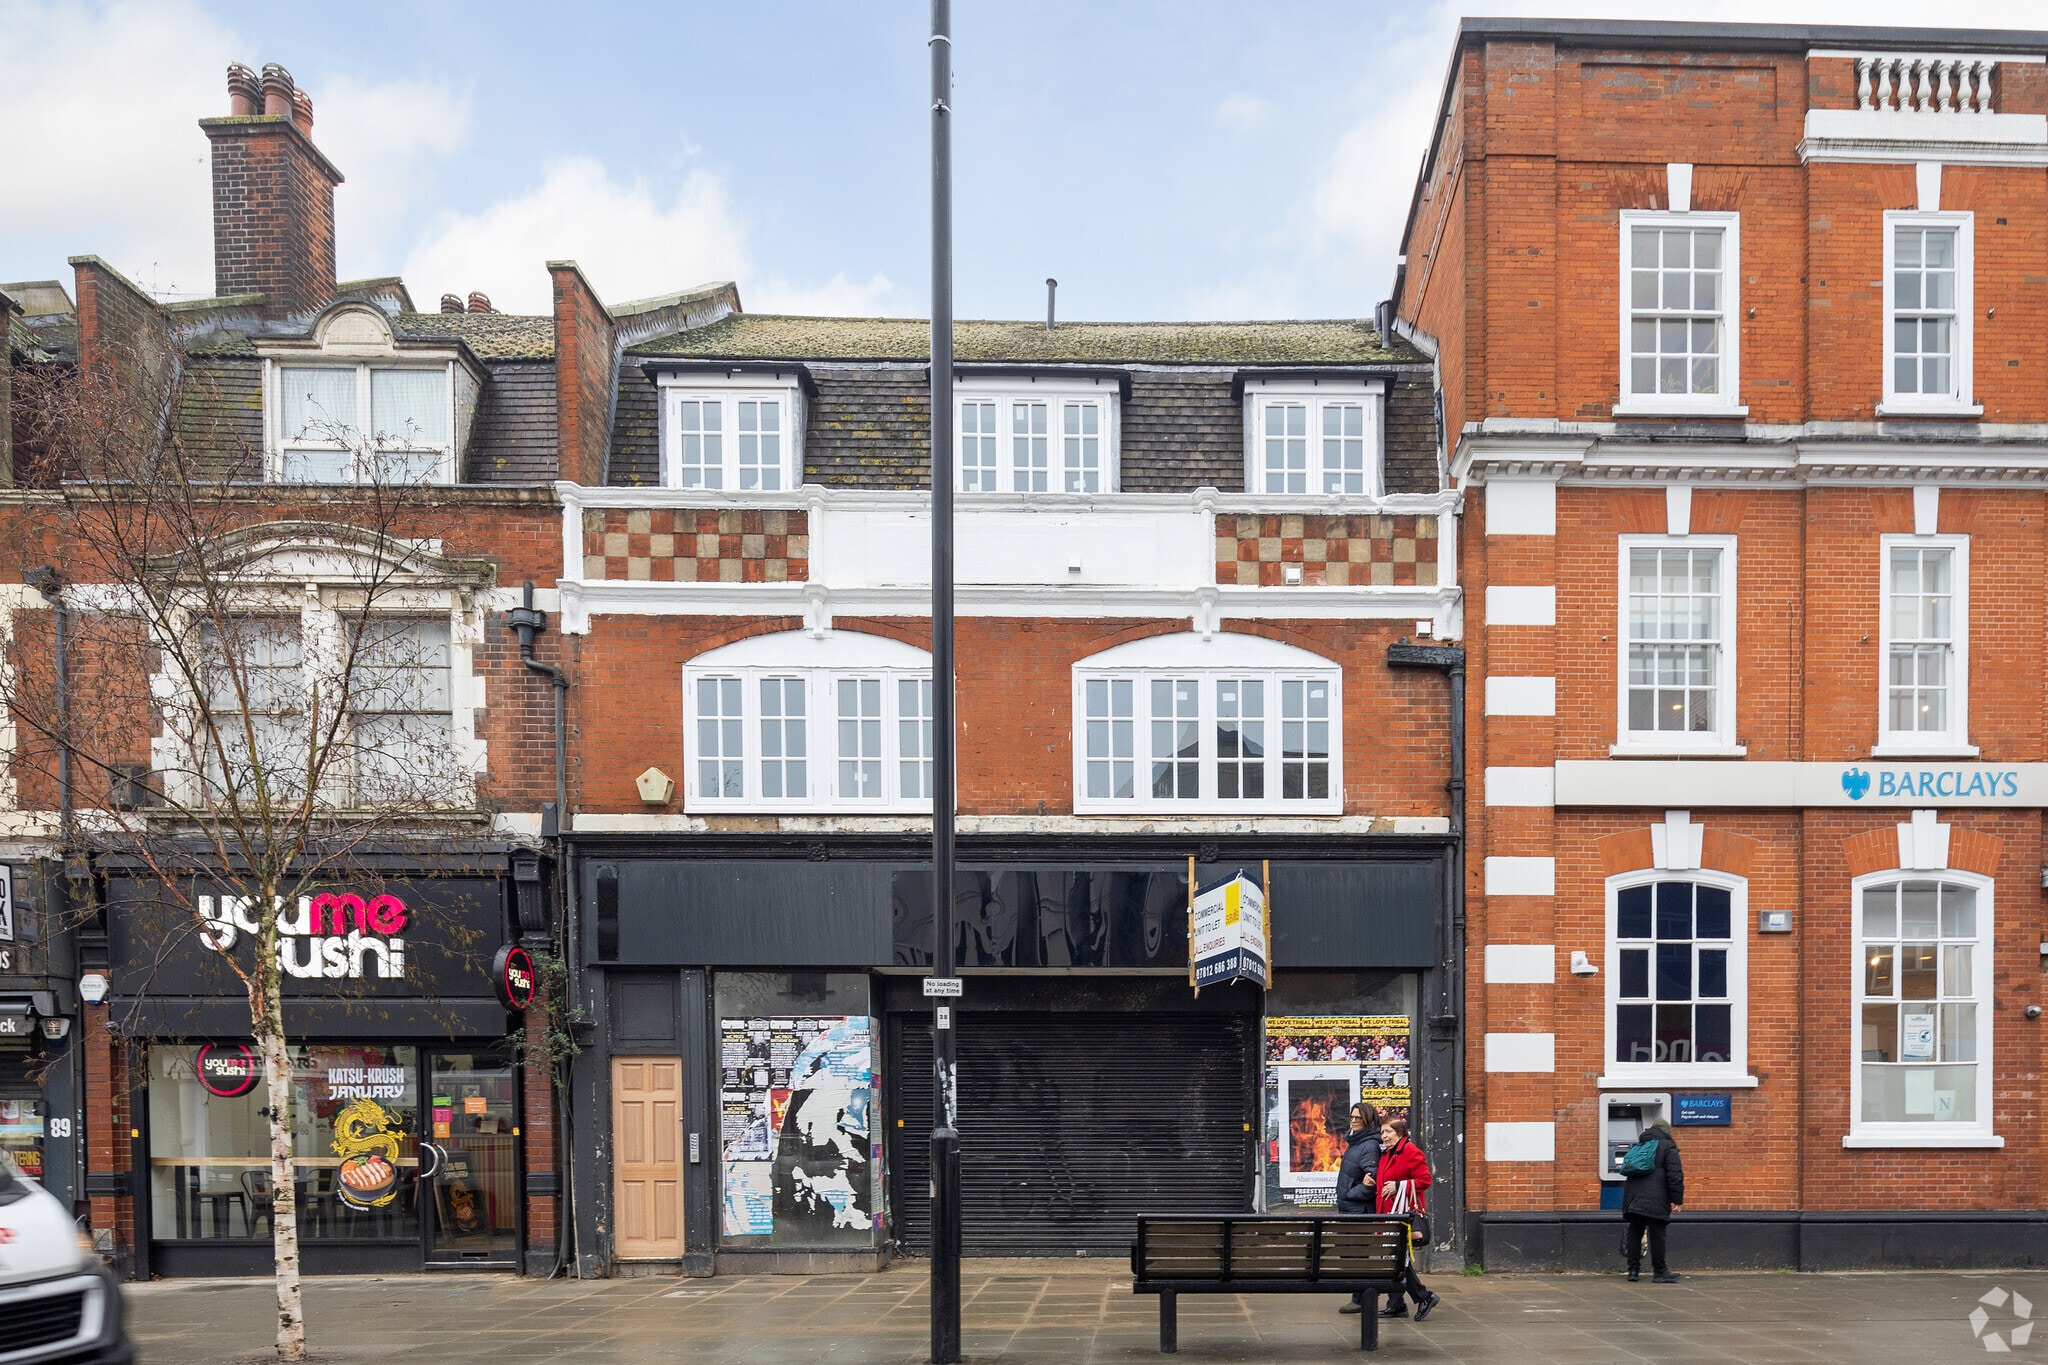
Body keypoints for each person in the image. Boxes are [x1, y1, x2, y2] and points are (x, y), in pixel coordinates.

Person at [1375, 1116, 1441, 1321]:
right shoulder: (1387, 1154)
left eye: (1388, 1132)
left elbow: (1425, 1180)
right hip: (1388, 1214)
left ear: (1400, 1133)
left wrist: (1398, 1185)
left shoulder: (1410, 1151)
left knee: (1397, 1260)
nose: (1384, 1136)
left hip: (1402, 1216)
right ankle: (1396, 1304)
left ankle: (1424, 1296)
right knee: (1393, 1259)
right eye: (1382, 1132)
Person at [1622, 1118, 1685, 1283]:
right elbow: (1675, 1174)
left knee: (1635, 1232)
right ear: (1666, 1131)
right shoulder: (1667, 1146)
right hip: (1656, 1198)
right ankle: (1659, 1271)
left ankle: (1633, 1271)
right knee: (1657, 1234)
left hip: (1634, 1197)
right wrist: (1677, 1200)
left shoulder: (1640, 1145)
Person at [1334, 1102, 1381, 1316]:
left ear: (1368, 1121)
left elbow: (1372, 1182)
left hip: (1359, 1211)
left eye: (1358, 1118)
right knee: (1350, 1256)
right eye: (1352, 1117)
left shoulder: (1368, 1145)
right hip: (1350, 1210)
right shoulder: (1356, 1142)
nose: (1353, 1121)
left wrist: (1350, 1193)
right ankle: (1366, 1295)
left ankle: (1360, 1298)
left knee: (1356, 1256)